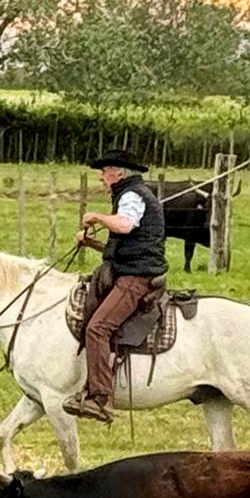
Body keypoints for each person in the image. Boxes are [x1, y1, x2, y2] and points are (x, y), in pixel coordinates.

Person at [63, 149, 167, 424]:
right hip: (132, 269)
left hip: (136, 277)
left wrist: (96, 217)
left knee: (98, 328)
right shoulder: (130, 194)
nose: (101, 177)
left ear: (118, 173)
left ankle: (99, 398)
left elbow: (124, 225)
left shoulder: (131, 195)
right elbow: (123, 244)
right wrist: (92, 243)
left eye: (104, 171)